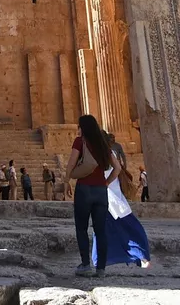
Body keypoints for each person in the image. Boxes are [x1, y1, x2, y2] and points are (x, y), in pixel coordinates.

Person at [93, 136, 154, 269]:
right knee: (104, 229)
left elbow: (116, 169)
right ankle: (101, 260)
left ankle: (139, 254)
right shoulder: (101, 154)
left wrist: (105, 183)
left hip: (112, 198)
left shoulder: (106, 154)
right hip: (106, 198)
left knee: (125, 227)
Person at [68, 114, 115, 278]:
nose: (77, 129)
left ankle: (85, 265)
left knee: (81, 229)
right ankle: (101, 268)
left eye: (79, 126)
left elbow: (72, 162)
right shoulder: (103, 144)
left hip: (84, 189)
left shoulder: (80, 142)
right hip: (101, 191)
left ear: (83, 127)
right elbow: (117, 168)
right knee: (100, 230)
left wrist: (66, 180)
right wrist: (106, 182)